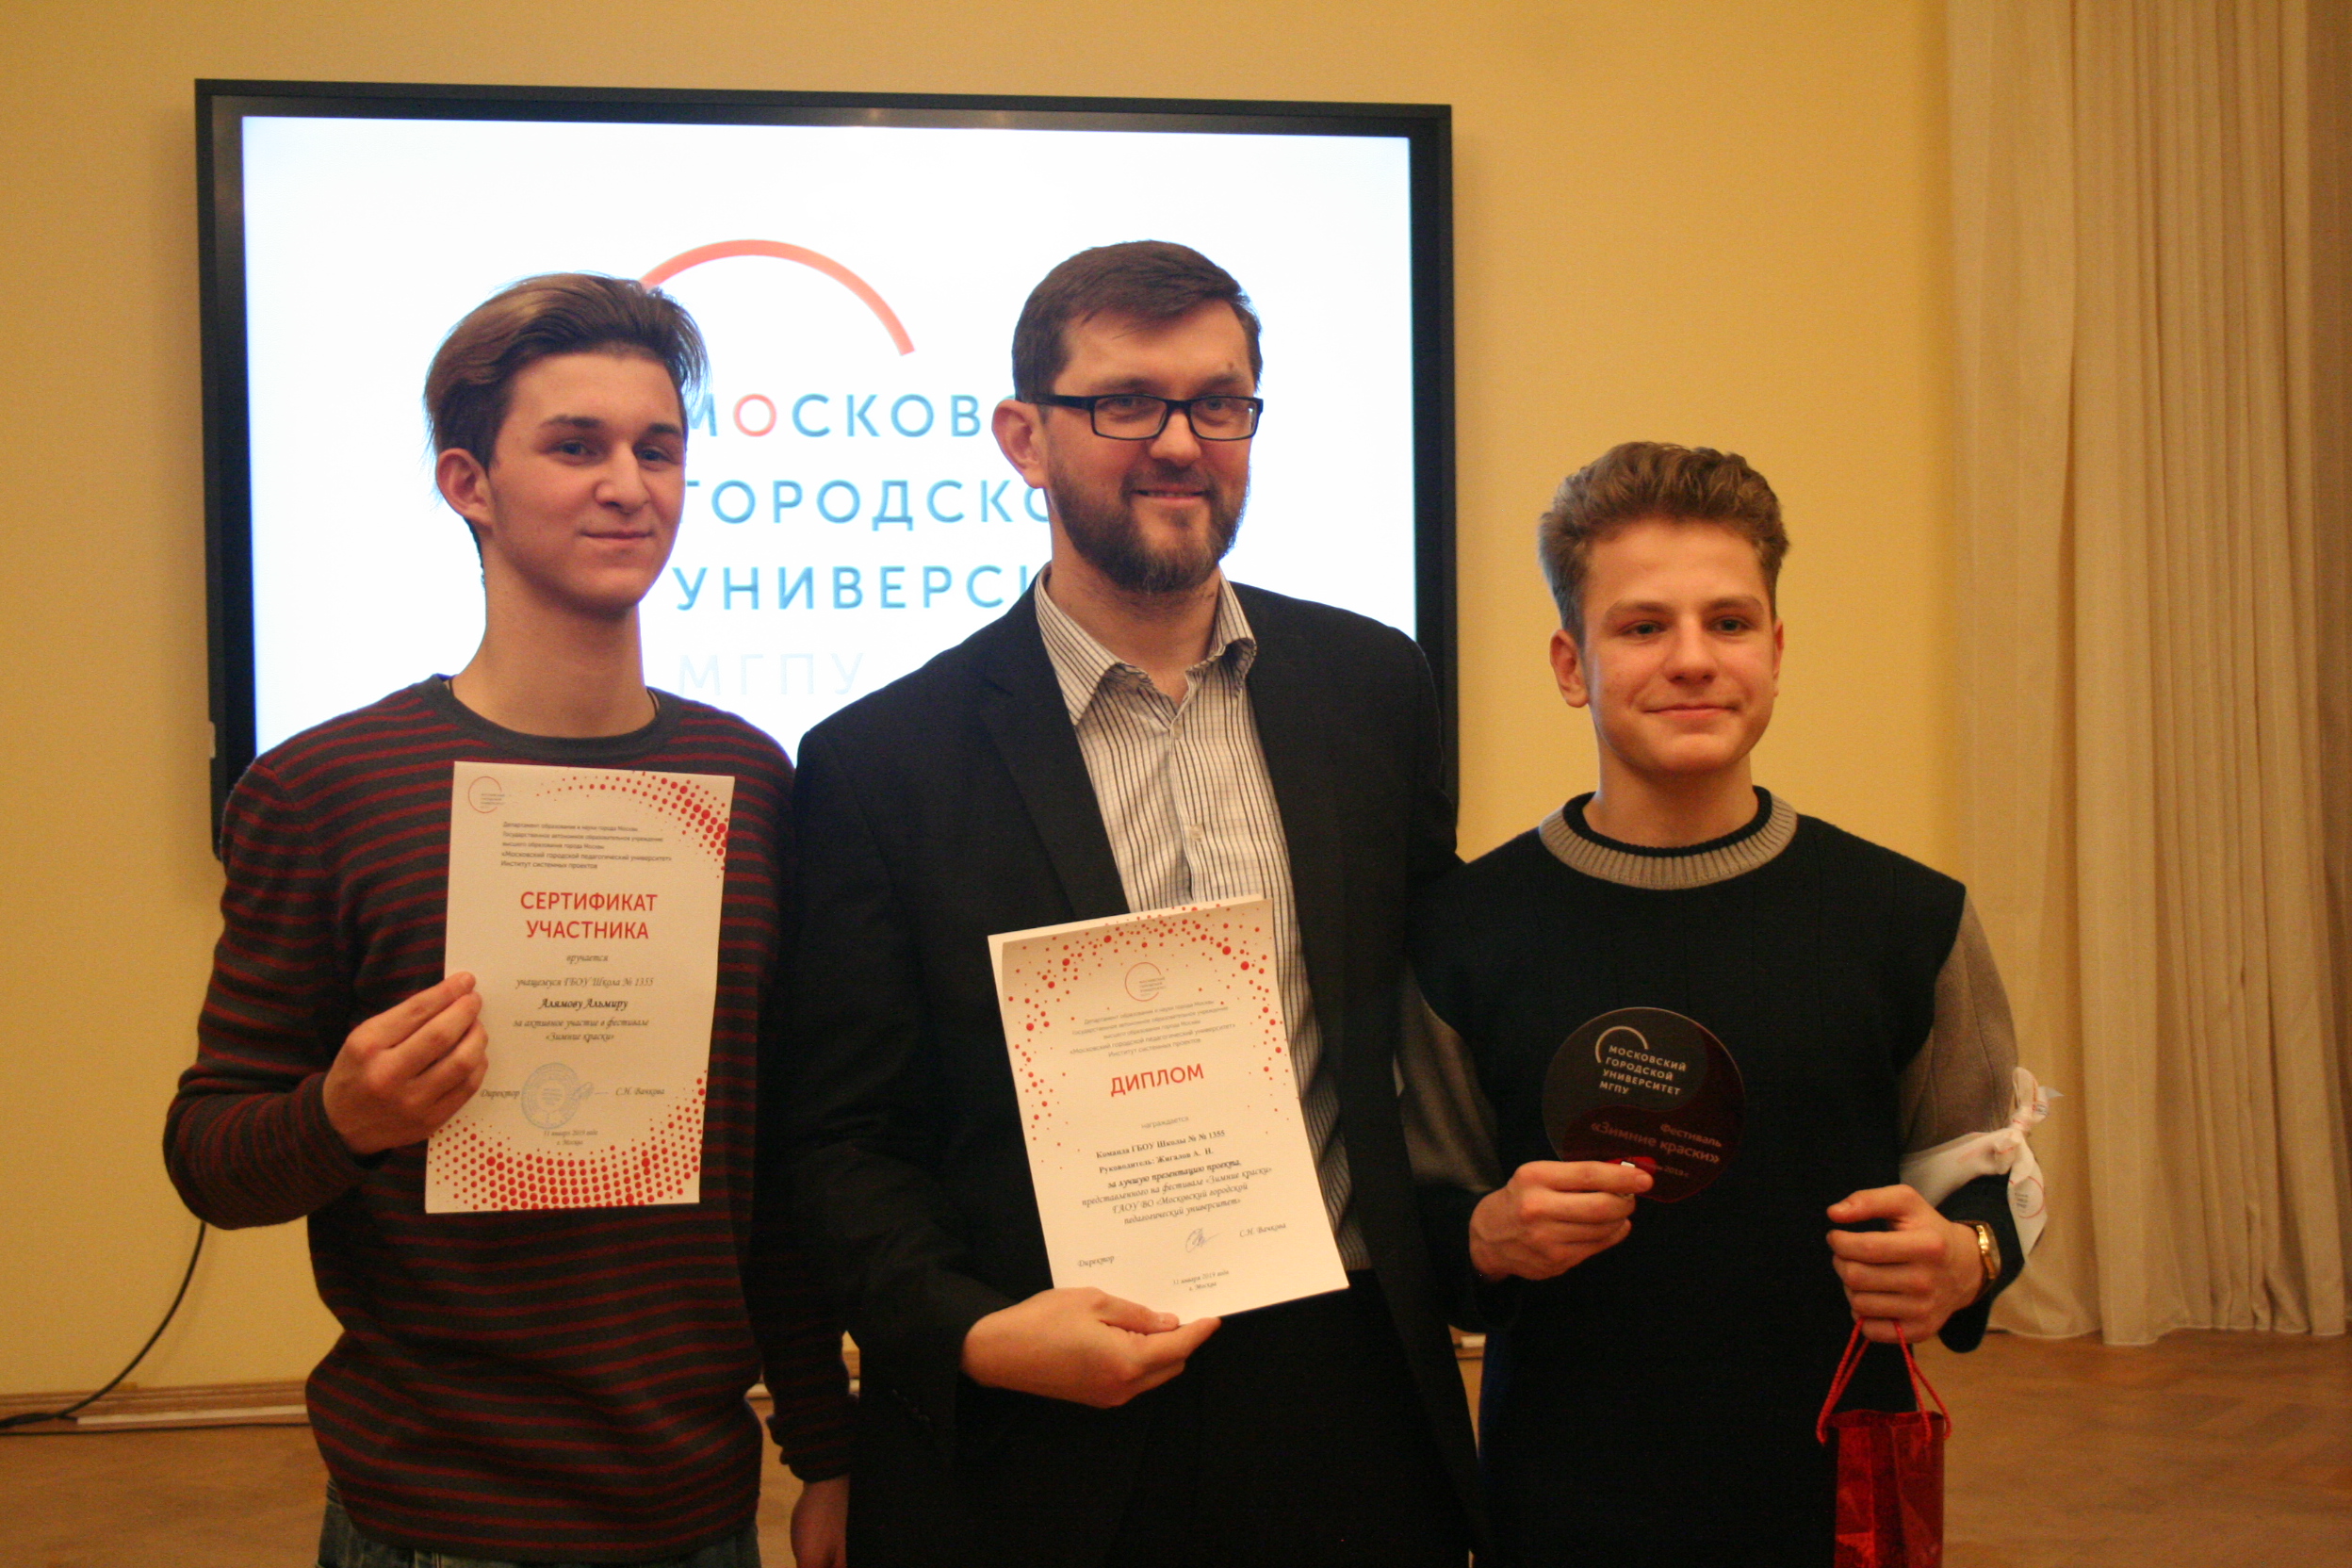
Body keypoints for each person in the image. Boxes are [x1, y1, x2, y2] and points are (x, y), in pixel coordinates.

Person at [780, 240, 1479, 1567]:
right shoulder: (881, 760)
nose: (1177, 441)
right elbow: (841, 1137)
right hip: (1040, 1418)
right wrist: (974, 1334)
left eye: (1217, 402)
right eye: (1124, 402)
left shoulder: (1375, 689)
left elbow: (1432, 1019)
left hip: (1346, 1395)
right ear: (1024, 437)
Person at [165, 274, 852, 1568]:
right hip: (432, 1516)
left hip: (697, 1506)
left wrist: (827, 1447)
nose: (630, 486)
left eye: (659, 449)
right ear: (467, 483)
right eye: (577, 446)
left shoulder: (748, 782)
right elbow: (207, 1153)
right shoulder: (325, 789)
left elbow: (776, 1168)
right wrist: (343, 1116)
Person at [1405, 442, 2045, 1568]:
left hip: (1833, 1498)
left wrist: (1970, 1254)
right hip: (1563, 1500)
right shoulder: (1463, 931)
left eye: (1730, 622)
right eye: (1643, 626)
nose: (1693, 658)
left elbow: (1988, 1180)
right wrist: (1487, 1236)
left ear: (1777, 651)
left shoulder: (1909, 917)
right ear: (1571, 662)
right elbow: (1428, 1221)